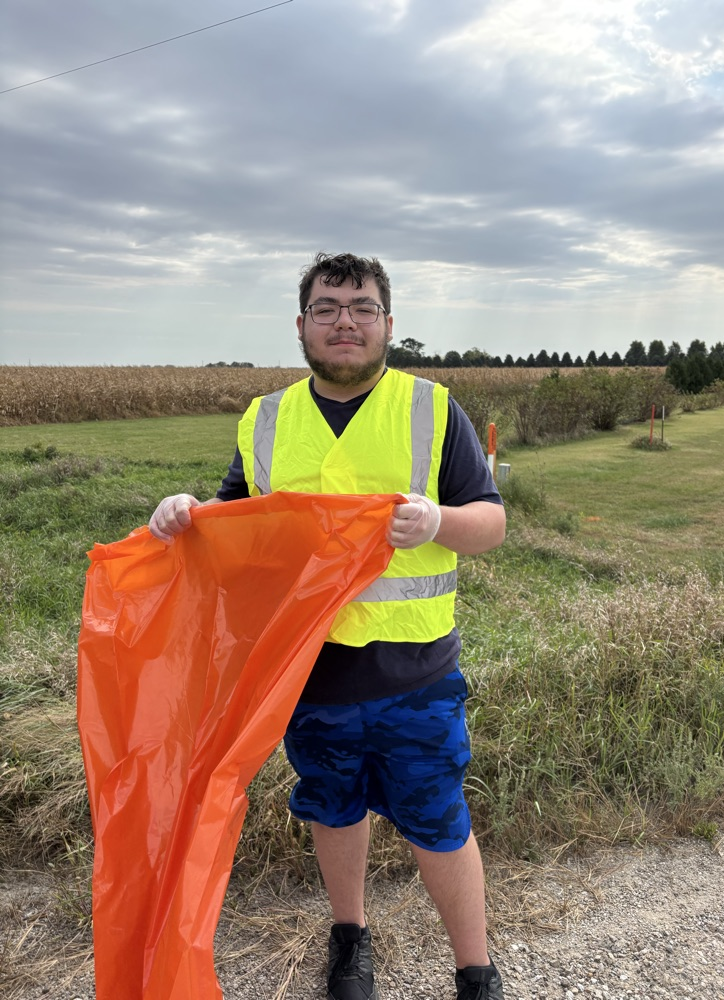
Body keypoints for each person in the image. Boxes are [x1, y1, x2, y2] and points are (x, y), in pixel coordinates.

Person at [149, 252, 507, 1000]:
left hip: (417, 677)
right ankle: (351, 940)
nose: (345, 320)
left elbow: (491, 524)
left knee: (436, 820)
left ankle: (475, 970)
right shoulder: (267, 419)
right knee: (333, 809)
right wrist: (183, 516)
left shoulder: (432, 409)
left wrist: (438, 519)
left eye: (362, 307)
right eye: (328, 307)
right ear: (303, 324)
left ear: (388, 324)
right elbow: (232, 530)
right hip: (306, 677)